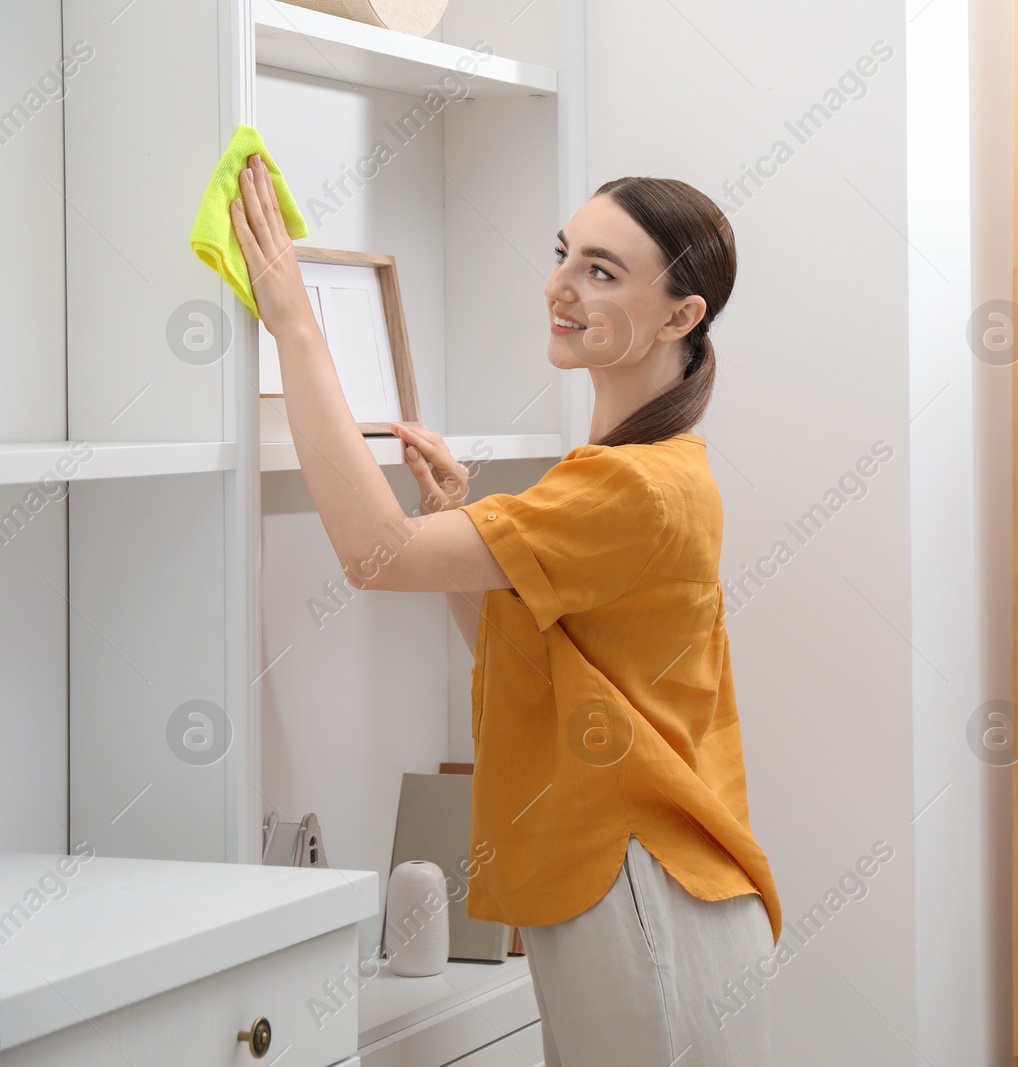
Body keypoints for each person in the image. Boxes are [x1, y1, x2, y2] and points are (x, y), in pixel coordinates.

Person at [233, 156, 781, 1066]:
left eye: (601, 271)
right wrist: (453, 522)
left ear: (682, 316)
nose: (558, 287)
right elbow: (516, 663)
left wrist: (293, 319)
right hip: (636, 900)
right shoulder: (634, 475)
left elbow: (374, 557)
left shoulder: (631, 486)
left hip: (643, 899)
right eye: (565, 254)